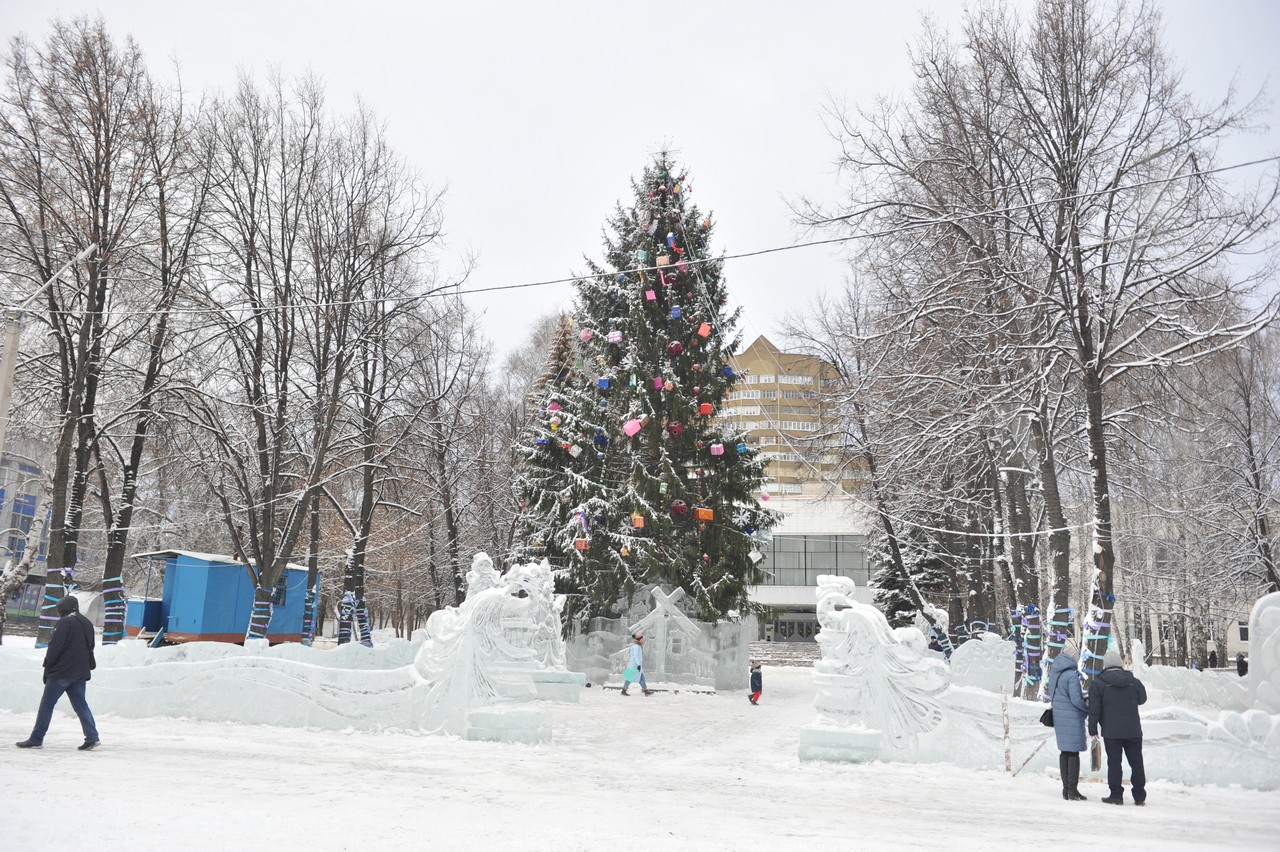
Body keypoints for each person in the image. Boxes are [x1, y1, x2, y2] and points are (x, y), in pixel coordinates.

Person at [15, 595, 100, 751]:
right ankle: (92, 736)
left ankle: (36, 739)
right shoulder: (87, 623)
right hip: (80, 672)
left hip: (61, 672)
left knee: (47, 705)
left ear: (63, 608)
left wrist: (48, 666)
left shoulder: (64, 622)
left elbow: (55, 647)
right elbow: (91, 646)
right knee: (81, 705)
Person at [1088, 649, 1146, 805]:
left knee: (1114, 763)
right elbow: (1142, 699)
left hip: (1112, 731)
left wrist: (1092, 729)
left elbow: (1094, 709)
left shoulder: (1098, 684)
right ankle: (1139, 796)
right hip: (1133, 730)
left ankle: (1116, 795)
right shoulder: (1133, 681)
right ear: (1120, 664)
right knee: (1136, 762)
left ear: (1105, 665)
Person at [1048, 639, 1089, 801]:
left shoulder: (1055, 672)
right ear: (1073, 658)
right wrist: (1087, 708)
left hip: (1059, 716)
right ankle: (1073, 790)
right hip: (1071, 717)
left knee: (1065, 751)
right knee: (1073, 753)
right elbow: (1076, 699)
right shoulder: (1071, 675)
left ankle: (1066, 789)